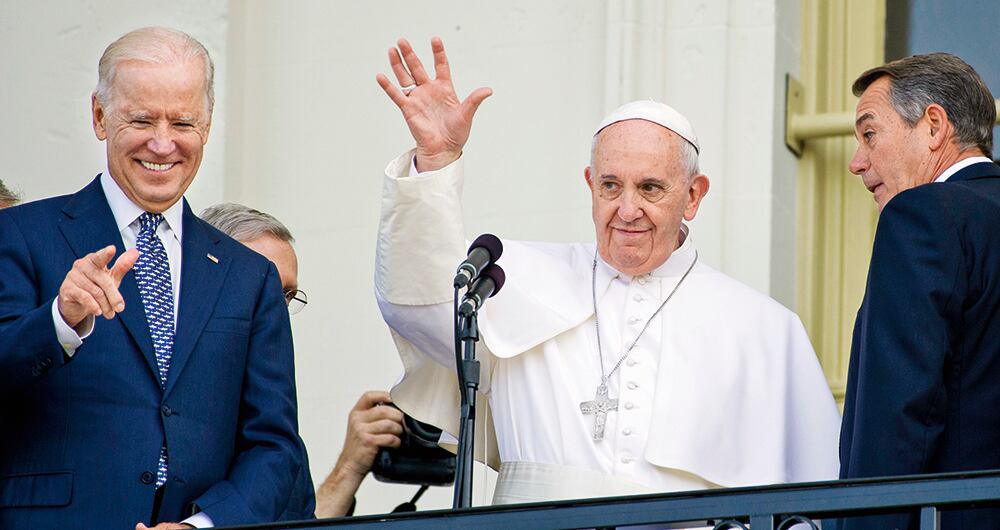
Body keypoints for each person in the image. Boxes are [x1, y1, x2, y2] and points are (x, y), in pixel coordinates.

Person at [373, 37, 840, 504]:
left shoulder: (765, 330)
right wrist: (435, 162)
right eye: (611, 186)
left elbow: (814, 503)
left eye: (651, 188)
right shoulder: (513, 282)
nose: (627, 209)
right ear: (590, 184)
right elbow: (421, 307)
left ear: (694, 196)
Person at [0, 27, 307, 529]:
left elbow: (274, 446)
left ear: (207, 125)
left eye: (183, 121)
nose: (162, 144)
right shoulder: (18, 234)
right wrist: (59, 319)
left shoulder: (248, 275)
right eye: (141, 119)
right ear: (100, 117)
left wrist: (202, 525)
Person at [839, 53, 1000, 530]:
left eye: (870, 134)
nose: (856, 162)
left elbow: (899, 413)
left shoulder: (923, 215)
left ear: (933, 126)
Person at [200, 203, 406, 519]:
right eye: (260, 289)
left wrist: (350, 465)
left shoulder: (276, 430)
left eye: (285, 295)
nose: (275, 312)